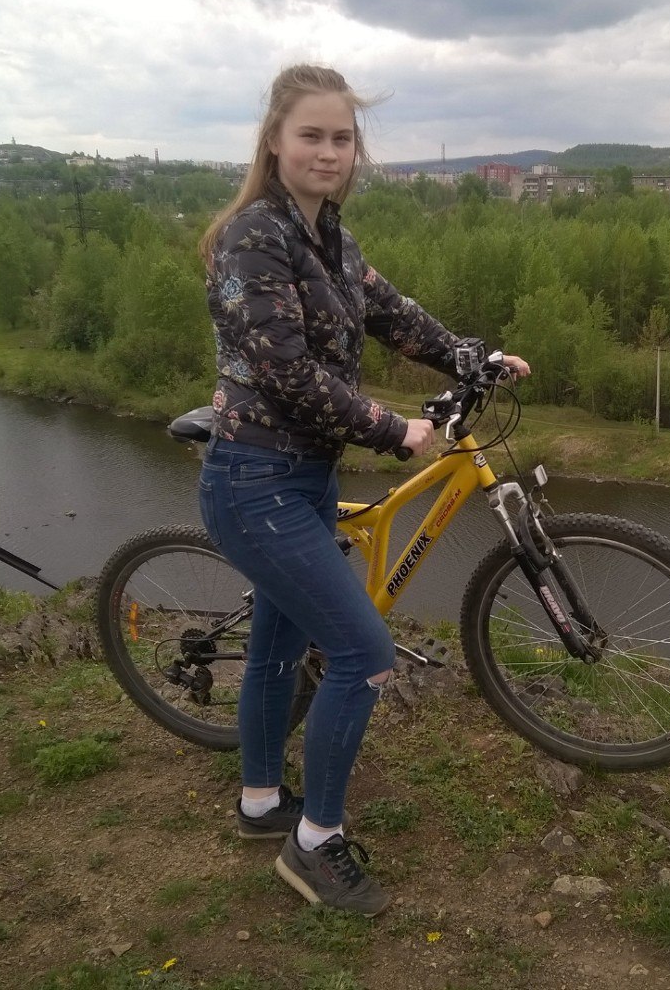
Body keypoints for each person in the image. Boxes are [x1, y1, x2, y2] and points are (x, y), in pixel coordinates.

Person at [196, 63, 529, 917]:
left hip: (303, 479)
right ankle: (316, 846)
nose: (328, 151)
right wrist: (394, 430)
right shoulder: (251, 241)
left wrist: (472, 357)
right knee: (364, 656)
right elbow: (288, 374)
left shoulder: (330, 240)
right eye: (311, 135)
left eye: (341, 138)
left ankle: (263, 805)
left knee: (274, 648)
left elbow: (394, 313)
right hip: (252, 481)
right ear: (274, 141)